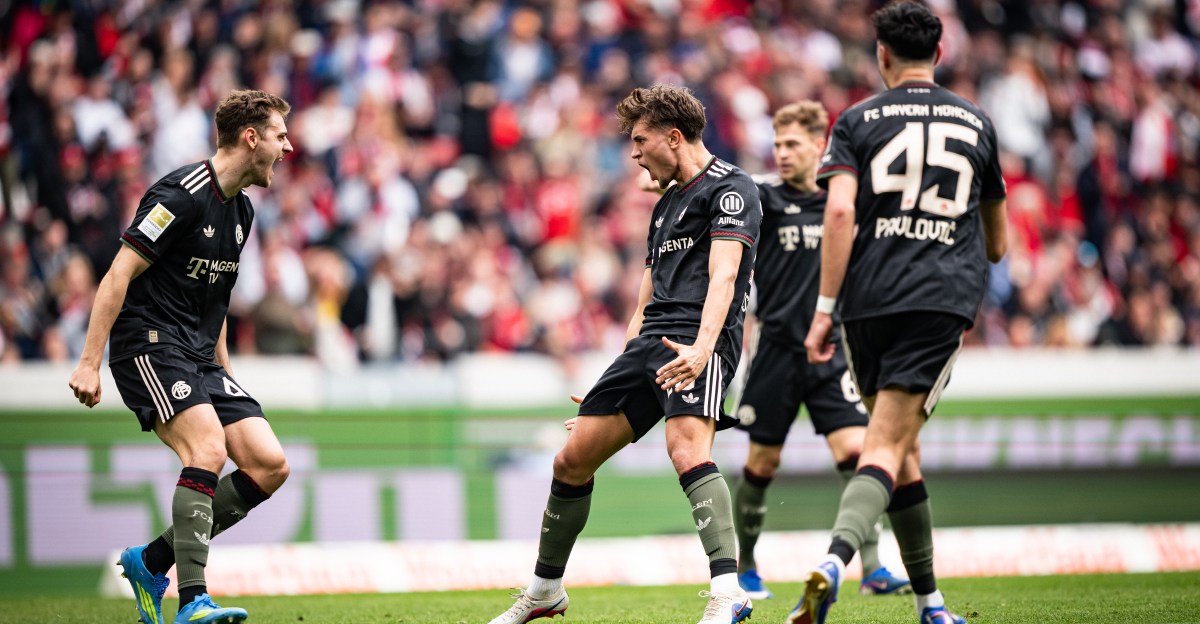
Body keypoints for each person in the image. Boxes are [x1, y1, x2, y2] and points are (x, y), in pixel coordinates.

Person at [487, 84, 761, 624]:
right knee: (571, 459)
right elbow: (643, 300)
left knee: (685, 448)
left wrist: (704, 350)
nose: (633, 153)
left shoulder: (732, 189)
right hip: (649, 345)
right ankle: (545, 590)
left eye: (640, 141)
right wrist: (612, 380)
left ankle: (729, 590)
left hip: (696, 338)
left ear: (674, 137)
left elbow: (725, 274)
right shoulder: (665, 206)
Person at [790, 2, 1008, 624]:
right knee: (887, 444)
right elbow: (998, 244)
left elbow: (837, 214)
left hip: (866, 302)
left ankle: (932, 605)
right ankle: (833, 564)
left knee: (900, 445)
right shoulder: (977, 123)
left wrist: (825, 309)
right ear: (939, 54)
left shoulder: (856, 121)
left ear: (880, 55)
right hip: (938, 298)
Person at [67, 89, 294, 624]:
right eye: (281, 136)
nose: (289, 147)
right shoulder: (181, 193)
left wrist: (226, 377)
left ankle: (149, 561)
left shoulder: (242, 212)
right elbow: (119, 273)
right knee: (209, 449)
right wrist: (87, 361)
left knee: (268, 464)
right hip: (147, 342)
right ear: (251, 137)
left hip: (200, 355)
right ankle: (193, 600)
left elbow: (214, 300)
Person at [728, 100, 911, 601]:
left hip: (833, 356)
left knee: (858, 454)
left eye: (792, 144)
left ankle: (872, 568)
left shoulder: (842, 200)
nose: (782, 153)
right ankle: (745, 566)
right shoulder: (761, 197)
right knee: (762, 464)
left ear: (818, 145)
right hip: (776, 353)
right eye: (777, 143)